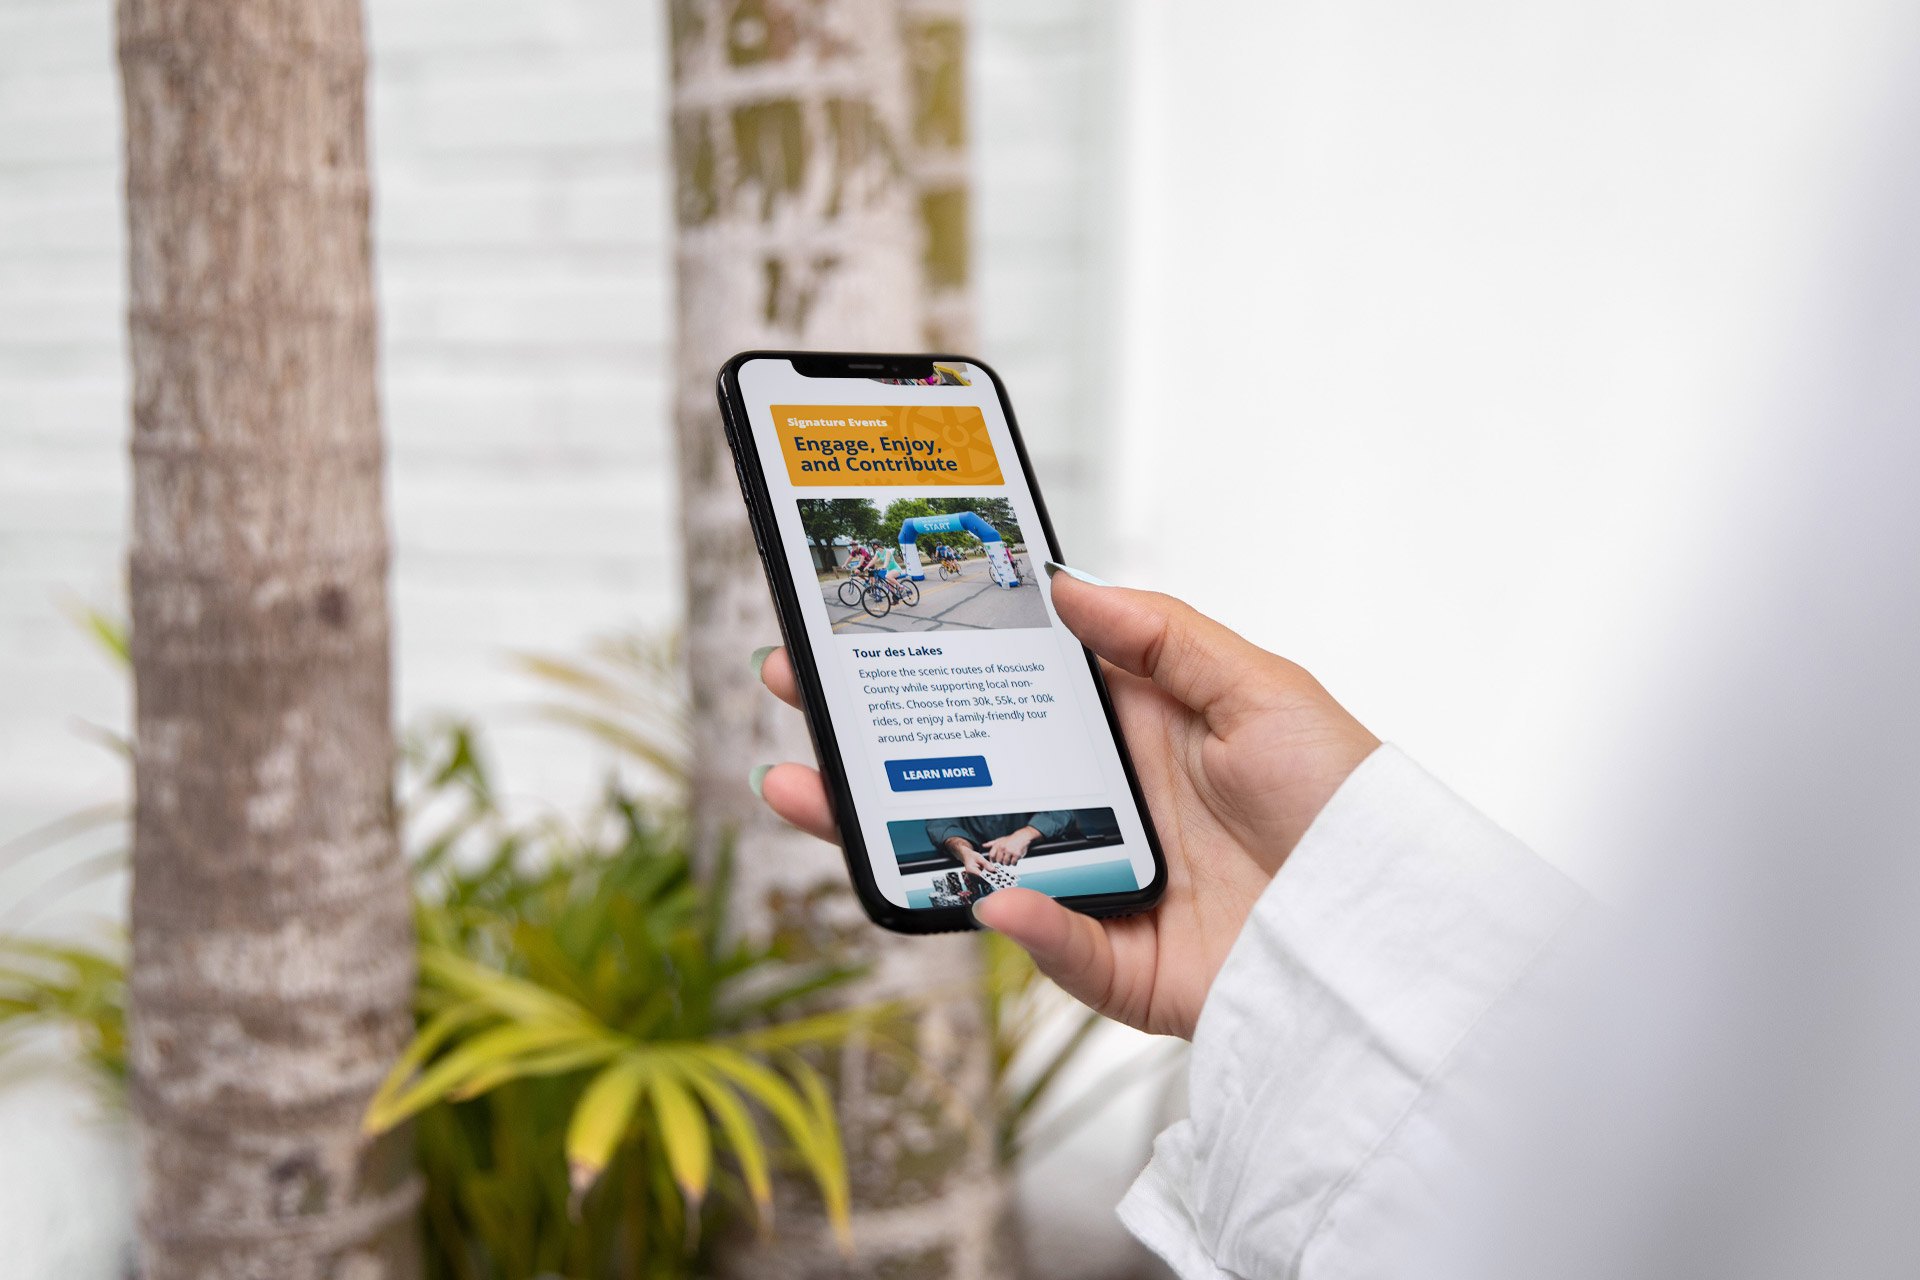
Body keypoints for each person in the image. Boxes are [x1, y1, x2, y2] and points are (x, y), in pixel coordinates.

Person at [926, 809, 1072, 879]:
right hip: (977, 873)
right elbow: (940, 825)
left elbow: (1061, 811)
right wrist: (964, 850)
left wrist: (1026, 834)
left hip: (1042, 869)